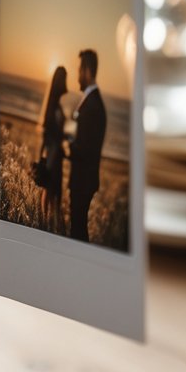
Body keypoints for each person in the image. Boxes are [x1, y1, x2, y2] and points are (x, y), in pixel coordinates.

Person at [68, 48, 106, 243]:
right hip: (84, 179)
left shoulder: (92, 105)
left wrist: (67, 147)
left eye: (79, 70)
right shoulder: (91, 100)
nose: (77, 76)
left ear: (87, 71)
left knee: (78, 233)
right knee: (78, 228)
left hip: (83, 180)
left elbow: (86, 148)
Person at [37, 65, 68, 233]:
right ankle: (46, 227)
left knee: (51, 194)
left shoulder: (55, 107)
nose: (67, 82)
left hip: (55, 158)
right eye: (64, 78)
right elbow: (49, 137)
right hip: (53, 159)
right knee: (49, 194)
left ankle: (48, 227)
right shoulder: (54, 109)